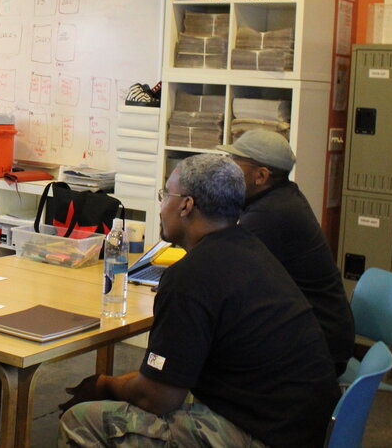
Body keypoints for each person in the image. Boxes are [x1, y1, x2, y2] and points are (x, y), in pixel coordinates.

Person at [59, 154, 340, 448]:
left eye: (165, 194)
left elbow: (158, 398)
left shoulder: (191, 277)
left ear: (186, 205)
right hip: (301, 422)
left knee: (82, 420)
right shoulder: (250, 248)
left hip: (263, 434)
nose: (162, 204)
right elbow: (175, 372)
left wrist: (105, 385)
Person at [219, 129, 355, 376]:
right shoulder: (280, 197)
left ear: (261, 175)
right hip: (318, 334)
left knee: (218, 352)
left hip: (316, 349)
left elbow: (227, 273)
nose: (227, 170)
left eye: (235, 163)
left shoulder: (270, 214)